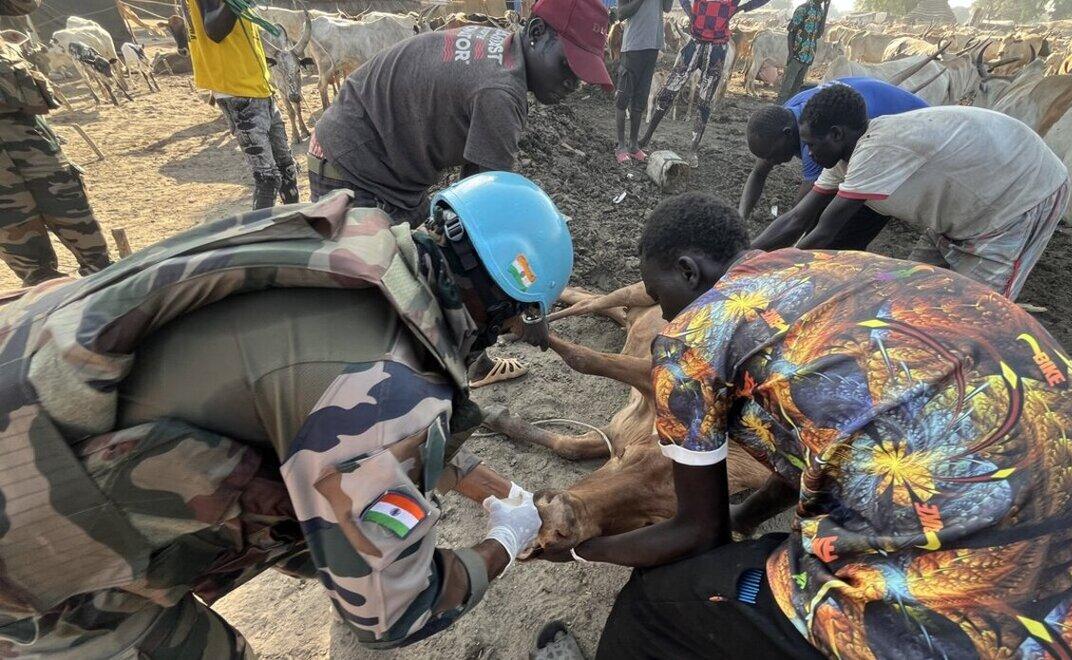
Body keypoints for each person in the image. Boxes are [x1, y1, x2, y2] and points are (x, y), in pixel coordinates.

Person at [0, 172, 574, 656]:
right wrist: (504, 541)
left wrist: (498, 490)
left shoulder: (358, 242)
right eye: (518, 319)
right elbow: (396, 613)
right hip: (31, 538)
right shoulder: (389, 387)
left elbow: (346, 424)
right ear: (503, 303)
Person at [551, 192, 1072, 659]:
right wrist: (749, 515)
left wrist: (580, 552)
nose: (665, 312)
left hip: (992, 616)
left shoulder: (694, 336)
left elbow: (698, 535)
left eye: (661, 295)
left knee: (658, 600)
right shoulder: (846, 269)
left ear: (687, 270)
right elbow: (818, 438)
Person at [310, 0, 613, 223]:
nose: (573, 84)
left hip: (380, 160)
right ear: (536, 31)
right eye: (568, 66)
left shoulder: (501, 47)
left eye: (581, 75)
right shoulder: (501, 93)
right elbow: (482, 205)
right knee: (392, 284)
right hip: (352, 165)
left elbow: (472, 192)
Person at [754, 84, 1069, 300]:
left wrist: (774, 278)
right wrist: (744, 256)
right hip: (963, 208)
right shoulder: (844, 157)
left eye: (810, 144)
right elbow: (796, 219)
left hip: (1021, 194)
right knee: (908, 294)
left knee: (978, 312)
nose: (807, 153)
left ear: (836, 134)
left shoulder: (877, 150)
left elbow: (824, 233)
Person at [739, 77, 927, 250]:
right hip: (878, 130)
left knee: (839, 239)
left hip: (913, 145)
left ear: (788, 134)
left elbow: (801, 220)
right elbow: (761, 176)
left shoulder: (817, 140)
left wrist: (758, 259)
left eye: (771, 156)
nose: (770, 162)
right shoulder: (787, 120)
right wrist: (740, 223)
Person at [0, 0, 111, 286]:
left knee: (69, 203)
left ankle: (104, 277)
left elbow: (24, 4)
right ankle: (47, 290)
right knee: (23, 247)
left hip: (20, 122)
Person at [186, 0, 298, 209]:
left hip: (259, 87)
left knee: (287, 169)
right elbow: (214, 30)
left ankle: (296, 224)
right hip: (237, 91)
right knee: (268, 178)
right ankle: (260, 229)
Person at [638, 0, 770, 166]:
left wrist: (741, 8)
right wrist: (689, 11)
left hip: (717, 48)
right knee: (668, 92)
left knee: (704, 103)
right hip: (696, 42)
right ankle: (646, 137)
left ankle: (693, 150)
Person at [612, 0, 671, 164]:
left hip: (652, 47)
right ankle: (621, 146)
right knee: (623, 98)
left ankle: (633, 145)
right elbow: (621, 13)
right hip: (633, 47)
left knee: (640, 100)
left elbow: (667, 8)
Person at [779, 0, 825, 103]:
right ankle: (778, 109)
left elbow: (819, 34)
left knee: (796, 89)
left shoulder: (821, 11)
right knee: (786, 87)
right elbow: (791, 32)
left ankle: (789, 109)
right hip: (797, 54)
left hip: (808, 56)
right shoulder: (803, 8)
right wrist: (791, 54)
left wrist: (826, 9)